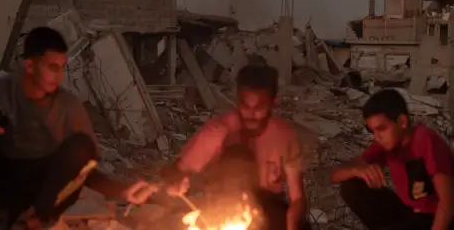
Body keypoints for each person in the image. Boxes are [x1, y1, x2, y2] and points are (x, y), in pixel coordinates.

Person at [0, 27, 127, 229]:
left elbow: (86, 168)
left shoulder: (69, 105)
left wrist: (122, 191)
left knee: (82, 146)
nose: (59, 76)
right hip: (3, 181)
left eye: (62, 67)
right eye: (52, 67)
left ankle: (38, 217)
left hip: (43, 188)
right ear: (30, 66)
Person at [125, 64, 310, 230]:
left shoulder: (284, 136)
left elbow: (297, 199)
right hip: (223, 206)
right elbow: (177, 171)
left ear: (273, 103)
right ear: (238, 101)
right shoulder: (217, 132)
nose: (251, 115)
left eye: (259, 107)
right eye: (246, 106)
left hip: (268, 209)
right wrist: (173, 181)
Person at [330, 89, 453, 230]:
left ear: (402, 121)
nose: (377, 137)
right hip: (411, 212)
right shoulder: (385, 145)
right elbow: (334, 175)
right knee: (351, 187)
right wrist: (357, 171)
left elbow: (448, 202)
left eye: (381, 129)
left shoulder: (426, 141)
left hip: (437, 218)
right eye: (372, 131)